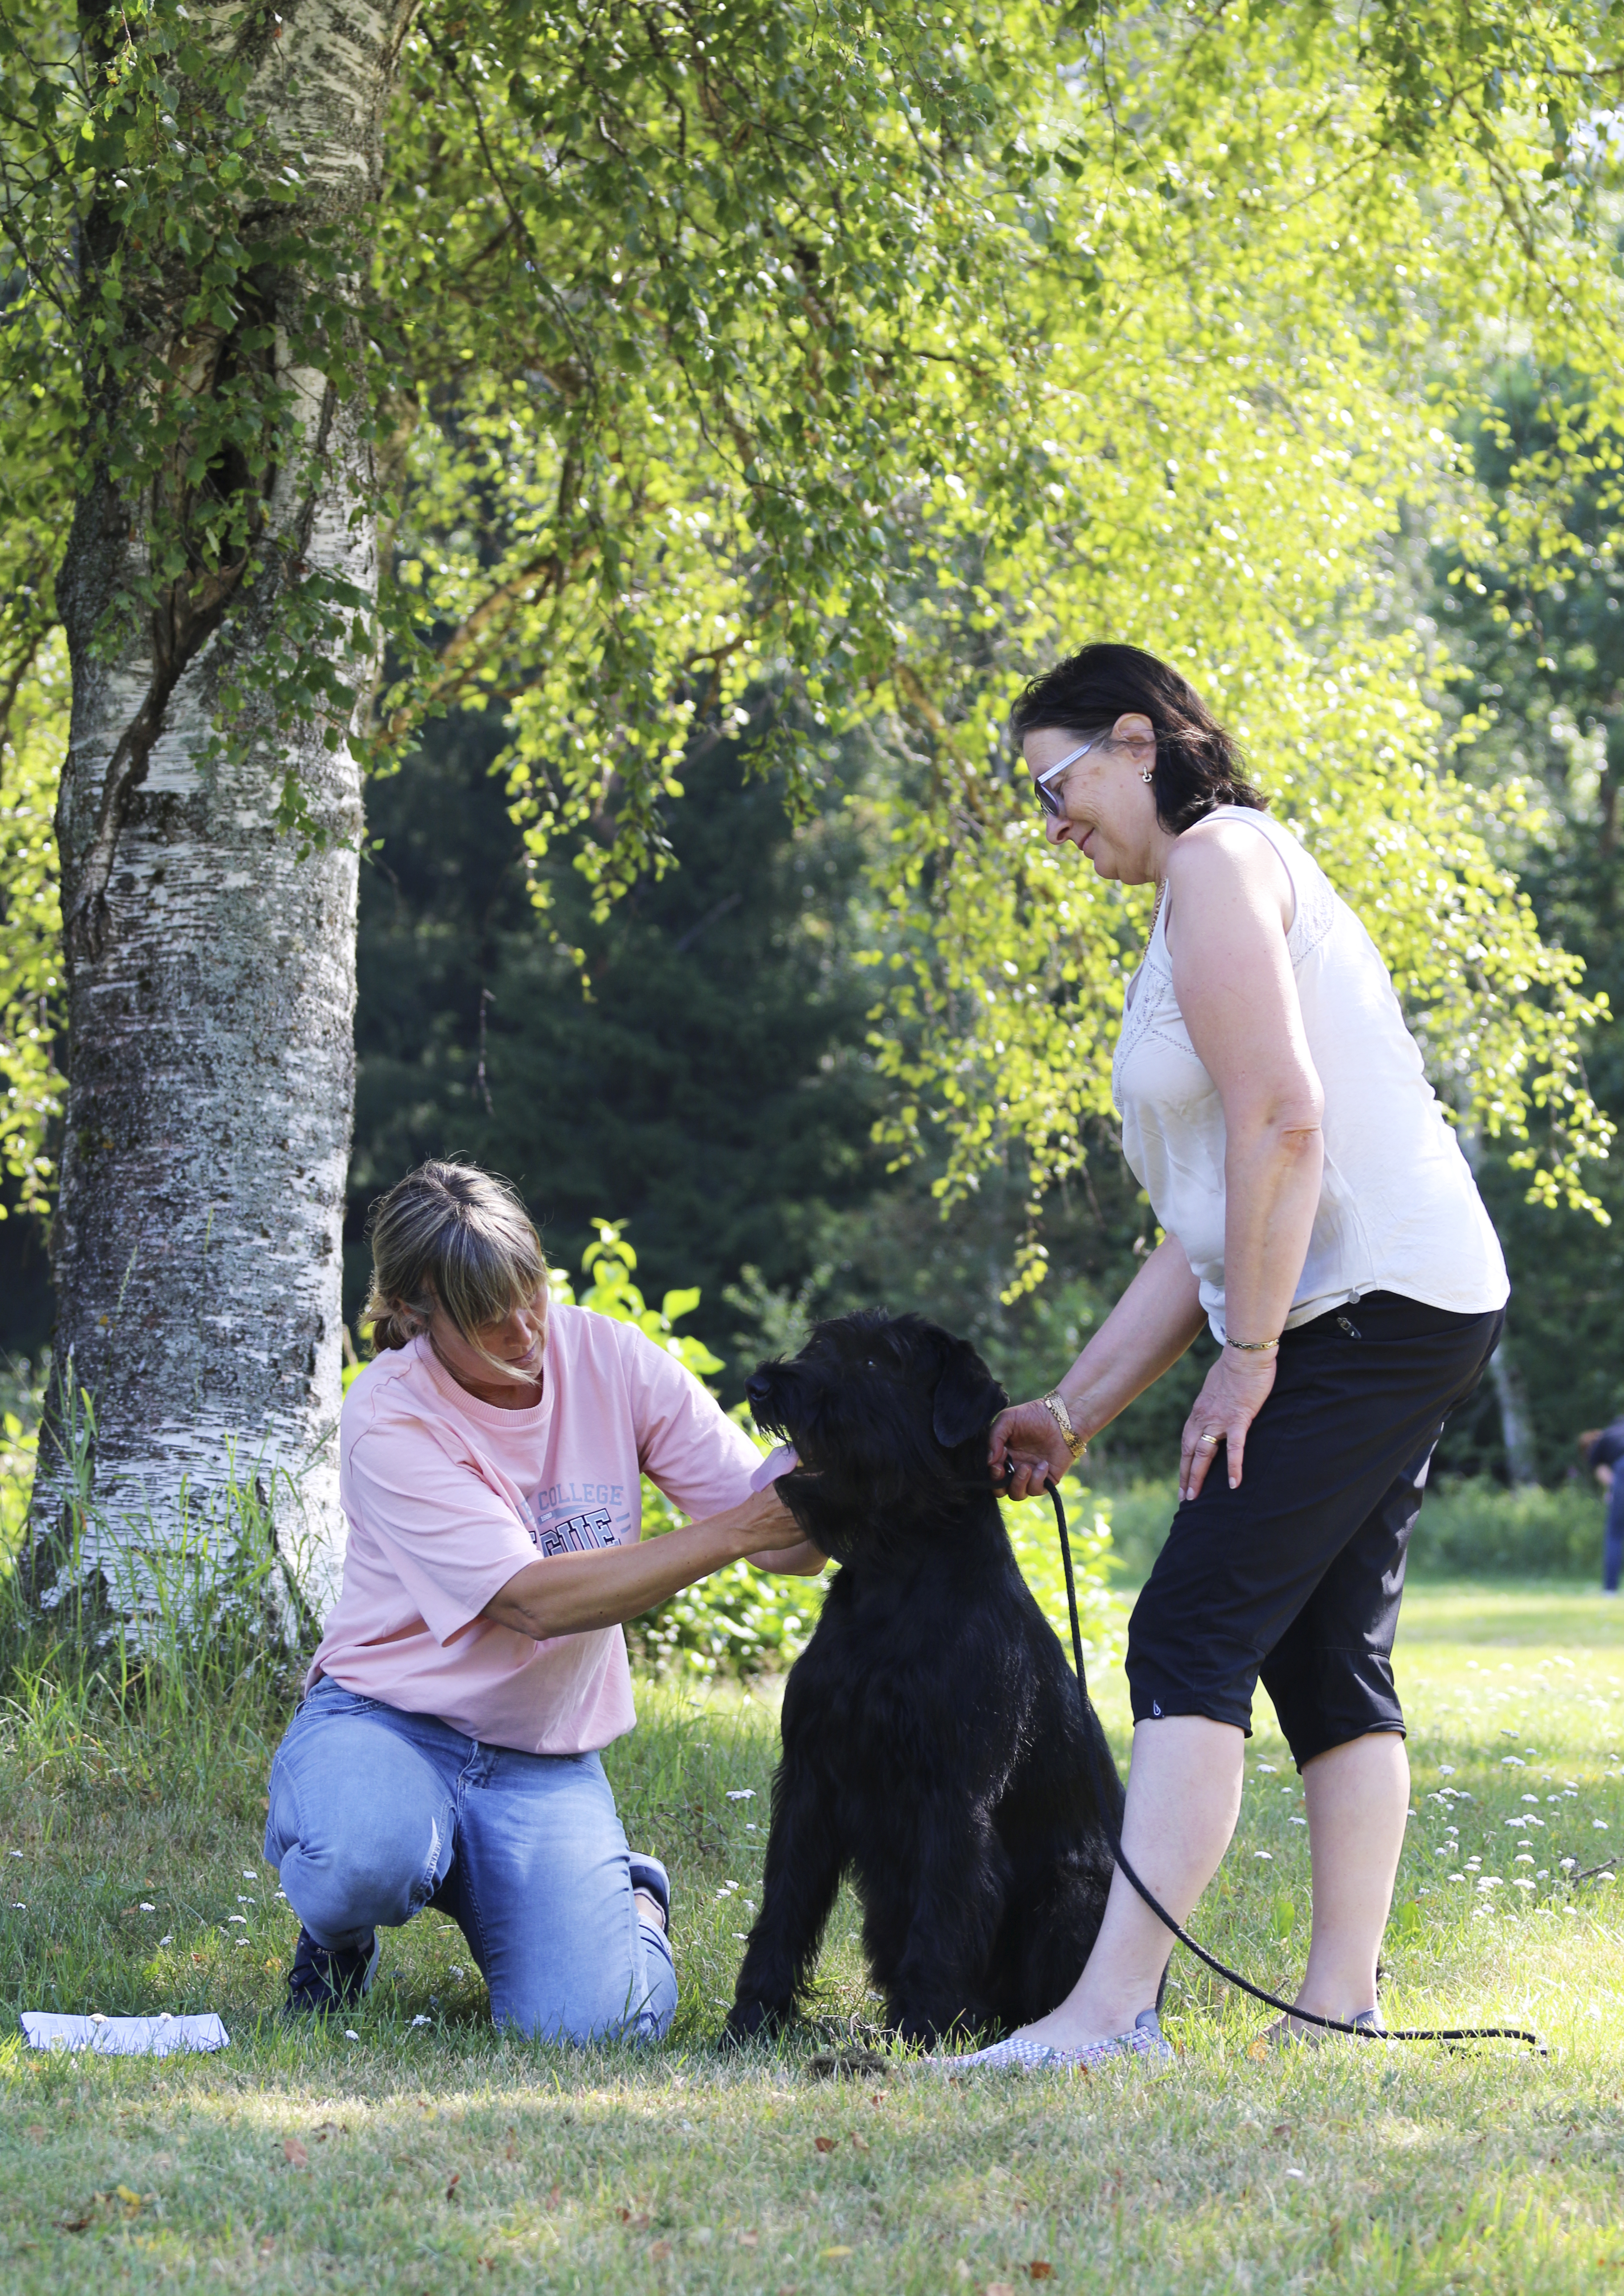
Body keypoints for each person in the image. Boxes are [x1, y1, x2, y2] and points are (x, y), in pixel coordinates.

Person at [951, 642, 1509, 2070]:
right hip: (1393, 1298)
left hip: (1370, 1303)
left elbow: (1286, 1121)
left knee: (1188, 1626)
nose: (1051, 822)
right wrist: (1073, 1409)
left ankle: (1105, 2011)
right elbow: (1200, 1226)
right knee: (1326, 1651)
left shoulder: (1215, 864)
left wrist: (1249, 1354)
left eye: (1057, 784)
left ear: (1137, 742)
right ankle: (1335, 2006)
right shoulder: (1194, 900)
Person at [264, 1160, 816, 2041]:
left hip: (539, 1757)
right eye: (489, 1313)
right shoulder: (389, 1416)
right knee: (360, 1855)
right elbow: (530, 1601)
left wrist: (846, 1473)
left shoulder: (612, 1356)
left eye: (532, 1290)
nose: (524, 1327)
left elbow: (787, 1540)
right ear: (414, 1312)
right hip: (386, 1722)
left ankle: (630, 1896)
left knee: (601, 2027)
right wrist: (739, 1531)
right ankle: (339, 1937)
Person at [1580, 1420, 1624, 1594]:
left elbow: (1605, 1474)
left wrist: (1615, 1492)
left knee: (1615, 1534)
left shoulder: (1601, 1444)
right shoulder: (1618, 1426)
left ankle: (1610, 1590)